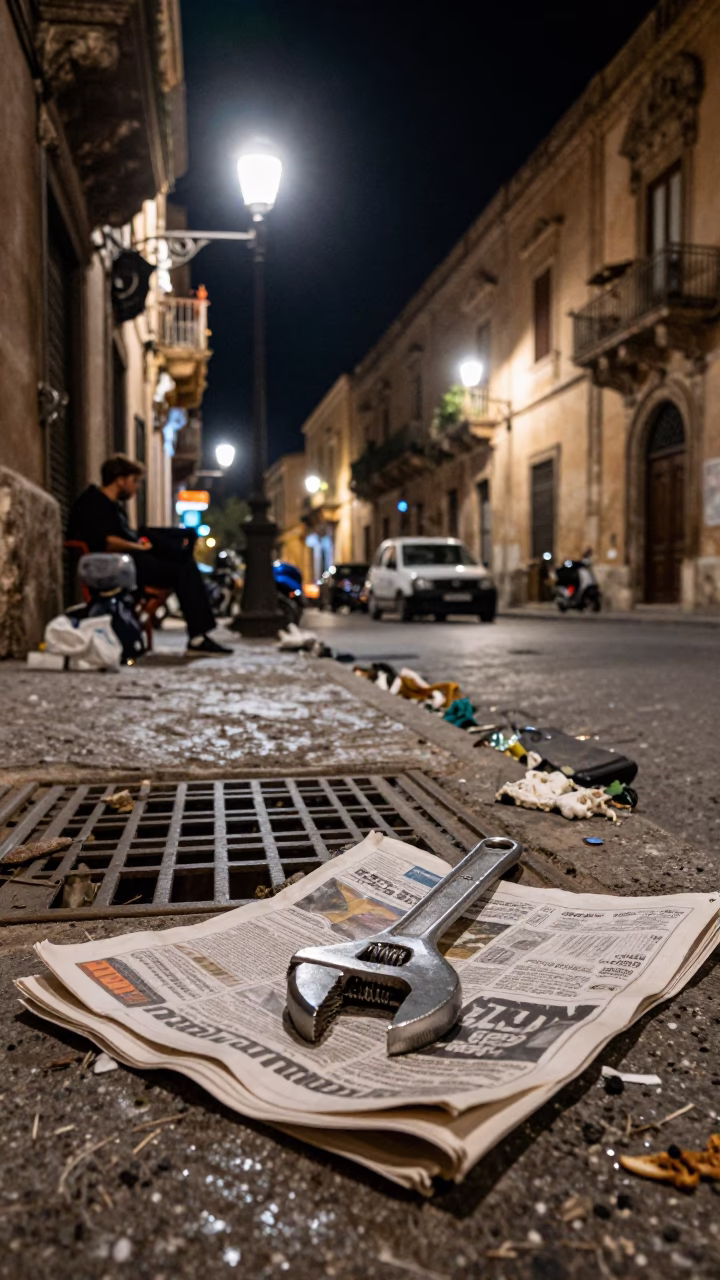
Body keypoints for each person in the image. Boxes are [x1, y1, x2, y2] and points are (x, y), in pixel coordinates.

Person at [67, 455, 232, 656]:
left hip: (125, 564)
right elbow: (107, 542)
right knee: (182, 568)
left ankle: (199, 634)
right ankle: (198, 636)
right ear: (120, 479)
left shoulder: (112, 506)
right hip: (113, 569)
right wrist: (139, 547)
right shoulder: (95, 503)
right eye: (134, 481)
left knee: (182, 558)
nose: (136, 488)